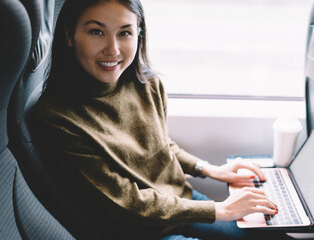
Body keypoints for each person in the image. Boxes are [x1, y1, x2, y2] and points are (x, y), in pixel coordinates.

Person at [30, 0, 292, 239]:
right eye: (96, 31)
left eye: (124, 32)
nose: (113, 49)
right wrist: (219, 210)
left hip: (180, 201)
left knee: (270, 234)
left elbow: (160, 145)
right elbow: (128, 202)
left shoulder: (147, 84)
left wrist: (209, 169)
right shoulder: (58, 119)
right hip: (140, 230)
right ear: (68, 35)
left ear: (138, 34)